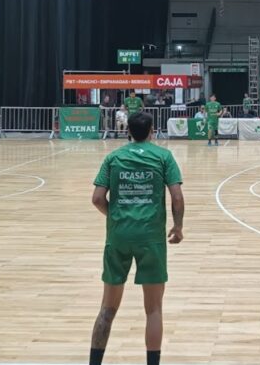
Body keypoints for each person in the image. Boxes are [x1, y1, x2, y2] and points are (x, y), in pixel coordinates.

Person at [90, 112, 185, 365]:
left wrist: (116, 217)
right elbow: (176, 196)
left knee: (107, 309)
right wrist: (178, 226)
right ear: (152, 130)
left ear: (127, 131)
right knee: (153, 309)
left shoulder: (113, 157)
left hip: (118, 235)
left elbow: (97, 199)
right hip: (151, 237)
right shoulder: (163, 156)